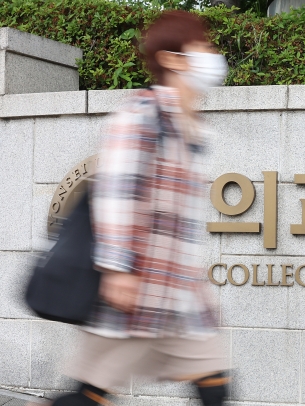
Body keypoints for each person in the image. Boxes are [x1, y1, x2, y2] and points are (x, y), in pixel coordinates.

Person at [46, 11, 229, 406]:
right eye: (203, 46)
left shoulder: (191, 127)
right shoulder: (143, 114)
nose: (213, 54)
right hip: (138, 287)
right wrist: (117, 268)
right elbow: (115, 191)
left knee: (216, 386)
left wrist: (197, 286)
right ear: (171, 58)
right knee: (90, 396)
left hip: (179, 296)